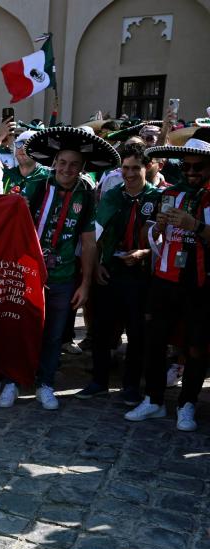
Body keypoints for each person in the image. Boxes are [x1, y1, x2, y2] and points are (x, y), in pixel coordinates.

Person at [0, 127, 119, 410]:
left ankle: (45, 383)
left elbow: (88, 242)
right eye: (62, 163)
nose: (67, 169)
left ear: (82, 167)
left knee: (53, 334)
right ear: (55, 163)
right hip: (29, 273)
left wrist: (86, 283)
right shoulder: (38, 185)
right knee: (22, 328)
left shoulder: (87, 193)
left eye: (74, 164)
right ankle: (13, 381)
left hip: (63, 276)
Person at [125, 130, 210, 431]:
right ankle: (154, 400)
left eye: (196, 167)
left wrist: (196, 226)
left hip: (200, 283)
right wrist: (156, 229)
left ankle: (187, 404)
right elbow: (152, 239)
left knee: (197, 346)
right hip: (164, 279)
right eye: (185, 167)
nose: (190, 172)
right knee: (154, 340)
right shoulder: (170, 194)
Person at [77, 144, 160, 404]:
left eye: (136, 167)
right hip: (110, 270)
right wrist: (99, 263)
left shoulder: (158, 198)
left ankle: (131, 386)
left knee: (137, 333)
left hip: (141, 274)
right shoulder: (112, 195)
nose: (130, 173)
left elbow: (166, 241)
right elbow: (97, 235)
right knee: (101, 329)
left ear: (147, 167)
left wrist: (144, 254)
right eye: (125, 168)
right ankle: (99, 381)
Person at [3, 130, 50, 195]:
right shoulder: (5, 175)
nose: (22, 148)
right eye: (19, 143)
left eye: (28, 144)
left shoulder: (48, 178)